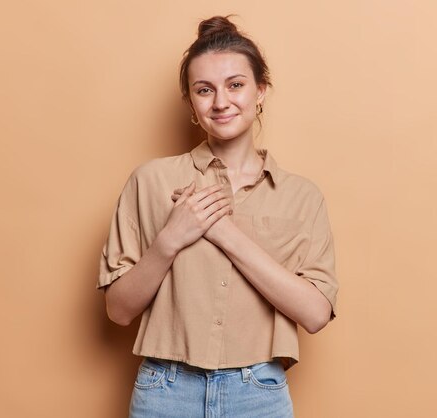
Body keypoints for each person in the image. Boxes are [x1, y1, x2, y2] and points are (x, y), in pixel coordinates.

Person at [97, 14, 339, 418]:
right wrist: (171, 238)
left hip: (259, 392)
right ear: (190, 101)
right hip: (165, 390)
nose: (221, 102)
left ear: (260, 91)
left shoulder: (302, 196)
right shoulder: (150, 181)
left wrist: (223, 232)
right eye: (204, 90)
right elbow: (118, 311)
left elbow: (315, 314)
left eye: (236, 85)